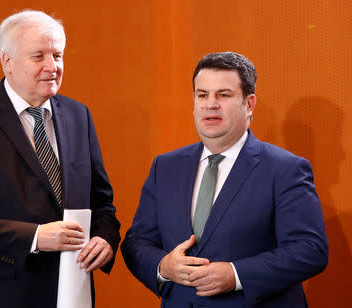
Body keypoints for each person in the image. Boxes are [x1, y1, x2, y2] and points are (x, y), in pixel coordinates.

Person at [0, 10, 120, 308]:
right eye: (38, 57)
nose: (52, 67)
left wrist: (105, 238)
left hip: (72, 292)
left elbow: (102, 202)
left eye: (57, 55)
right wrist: (34, 237)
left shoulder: (78, 115)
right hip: (0, 295)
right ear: (7, 62)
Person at [121, 52, 328, 307]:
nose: (210, 104)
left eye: (223, 95)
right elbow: (136, 243)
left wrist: (236, 275)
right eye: (202, 94)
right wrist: (163, 266)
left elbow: (310, 250)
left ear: (249, 104)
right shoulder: (165, 167)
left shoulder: (285, 169)